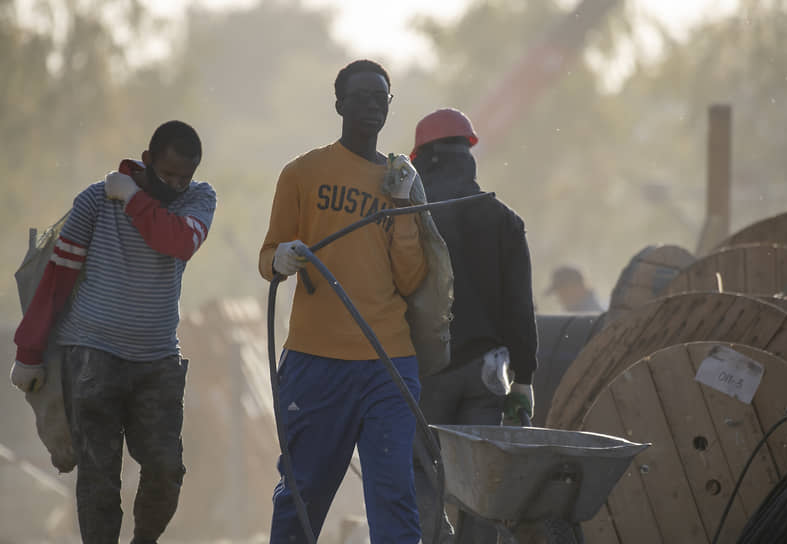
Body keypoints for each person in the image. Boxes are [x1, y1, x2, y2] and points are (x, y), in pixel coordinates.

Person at [10, 120, 216, 544]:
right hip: (91, 353)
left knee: (164, 469)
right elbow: (57, 277)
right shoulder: (95, 202)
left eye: (185, 176)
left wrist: (136, 199)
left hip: (157, 358)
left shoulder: (198, 199)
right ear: (146, 161)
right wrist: (29, 350)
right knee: (99, 476)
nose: (177, 185)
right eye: (167, 174)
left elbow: (178, 242)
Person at [258, 59, 427, 543]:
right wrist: (283, 258)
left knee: (394, 495)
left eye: (383, 98)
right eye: (364, 96)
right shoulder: (303, 173)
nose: (374, 105)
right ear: (339, 104)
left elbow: (411, 278)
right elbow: (268, 255)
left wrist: (404, 207)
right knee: (302, 494)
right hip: (316, 363)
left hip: (388, 362)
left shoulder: (400, 181)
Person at [410, 108, 539, 544]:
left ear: (424, 159)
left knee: (423, 475)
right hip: (488, 374)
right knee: (482, 485)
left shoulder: (414, 221)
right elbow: (519, 306)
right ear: (468, 155)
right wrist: (524, 379)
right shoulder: (503, 219)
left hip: (426, 372)